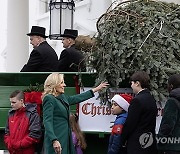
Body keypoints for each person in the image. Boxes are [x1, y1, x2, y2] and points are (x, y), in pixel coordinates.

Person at [42, 73, 109, 154]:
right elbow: (47, 121)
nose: (64, 85)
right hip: (57, 139)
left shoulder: (62, 97)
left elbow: (77, 98)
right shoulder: (49, 99)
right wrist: (54, 140)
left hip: (65, 138)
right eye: (61, 82)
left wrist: (96, 89)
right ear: (54, 84)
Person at [121, 71, 158, 154]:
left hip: (137, 145)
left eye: (132, 83)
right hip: (149, 143)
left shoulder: (137, 100)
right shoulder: (151, 98)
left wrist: (122, 139)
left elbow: (130, 123)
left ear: (137, 83)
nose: (131, 86)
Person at [157, 74, 180, 154]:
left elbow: (167, 125)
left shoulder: (172, 101)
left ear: (171, 86)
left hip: (172, 146)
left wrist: (160, 140)